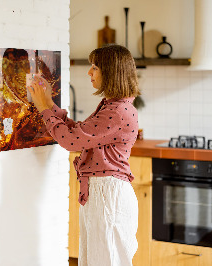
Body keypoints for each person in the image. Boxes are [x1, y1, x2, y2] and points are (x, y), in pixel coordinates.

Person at [28, 44, 140, 266]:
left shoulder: (117, 111)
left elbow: (71, 141)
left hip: (108, 195)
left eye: (95, 67)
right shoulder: (113, 106)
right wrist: (49, 104)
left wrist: (43, 108)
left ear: (111, 72)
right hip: (103, 193)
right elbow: (79, 132)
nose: (89, 72)